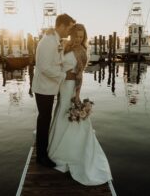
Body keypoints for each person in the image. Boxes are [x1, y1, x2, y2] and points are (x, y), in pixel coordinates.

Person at [48, 23, 113, 185]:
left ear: (84, 37)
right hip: (61, 85)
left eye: (81, 36)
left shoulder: (82, 52)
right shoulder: (65, 45)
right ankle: (55, 143)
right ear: (70, 34)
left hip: (70, 87)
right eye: (76, 35)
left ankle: (69, 149)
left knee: (66, 112)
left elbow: (80, 75)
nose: (78, 38)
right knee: (59, 112)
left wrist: (77, 94)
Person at [32, 13, 76, 167]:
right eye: (69, 28)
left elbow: (56, 61)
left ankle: (43, 152)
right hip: (43, 88)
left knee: (45, 119)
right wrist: (64, 75)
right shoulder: (48, 41)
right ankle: (41, 157)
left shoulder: (55, 39)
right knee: (44, 120)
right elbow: (44, 68)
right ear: (62, 26)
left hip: (50, 87)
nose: (69, 32)